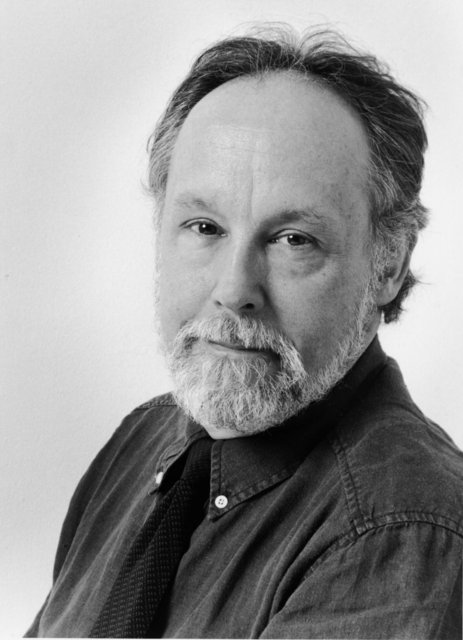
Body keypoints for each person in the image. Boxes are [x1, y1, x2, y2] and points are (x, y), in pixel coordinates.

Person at [26, 26, 462, 639]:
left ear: (388, 264)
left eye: (293, 240)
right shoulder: (143, 440)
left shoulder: (397, 532)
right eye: (204, 227)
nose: (234, 290)